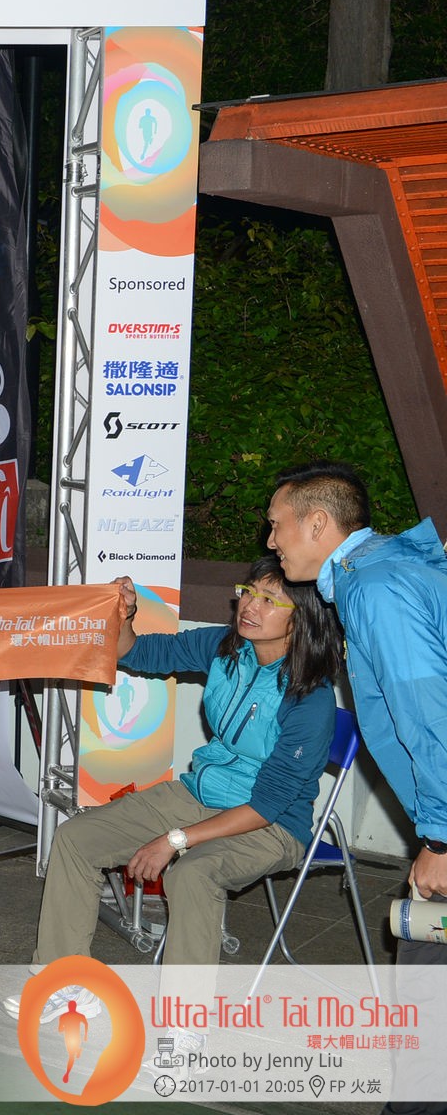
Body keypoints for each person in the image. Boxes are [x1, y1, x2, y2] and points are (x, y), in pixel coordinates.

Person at [5, 554, 340, 1028]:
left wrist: (176, 840)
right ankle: (63, 982)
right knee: (76, 838)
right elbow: (137, 653)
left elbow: (268, 804)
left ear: (301, 619)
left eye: (270, 600)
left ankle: (185, 1026)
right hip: (201, 794)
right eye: (249, 591)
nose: (250, 605)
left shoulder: (310, 698)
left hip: (271, 824)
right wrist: (123, 615)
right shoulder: (226, 648)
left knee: (193, 874)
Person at [263, 460, 447, 1114]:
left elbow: (428, 715)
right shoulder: (383, 571)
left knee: (426, 993)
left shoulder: (376, 587)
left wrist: (441, 838)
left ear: (319, 523)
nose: (270, 541)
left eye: (277, 525)